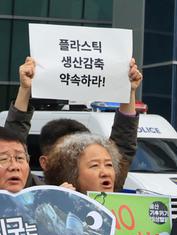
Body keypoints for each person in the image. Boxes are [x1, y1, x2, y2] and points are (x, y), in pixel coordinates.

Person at [4, 56, 143, 190]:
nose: (105, 172)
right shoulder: (40, 195)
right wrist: (25, 89)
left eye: (108, 164)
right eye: (94, 165)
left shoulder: (111, 193)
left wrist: (128, 91)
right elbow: (13, 143)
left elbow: (124, 145)